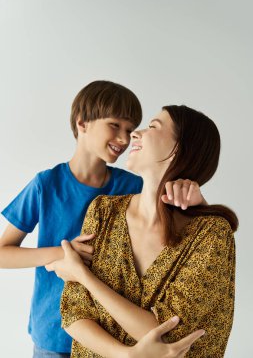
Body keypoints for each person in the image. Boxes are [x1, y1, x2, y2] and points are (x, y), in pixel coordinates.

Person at [0, 81, 206, 358]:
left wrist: (197, 200)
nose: (124, 138)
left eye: (130, 129)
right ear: (82, 123)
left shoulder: (134, 186)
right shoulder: (45, 185)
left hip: (112, 336)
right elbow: (3, 254)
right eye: (115, 125)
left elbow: (194, 231)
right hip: (53, 334)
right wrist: (64, 254)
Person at [47, 105, 238, 357]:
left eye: (153, 126)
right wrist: (126, 355)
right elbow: (74, 313)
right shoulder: (103, 211)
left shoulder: (211, 233)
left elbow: (168, 333)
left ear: (179, 149)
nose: (134, 134)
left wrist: (83, 275)